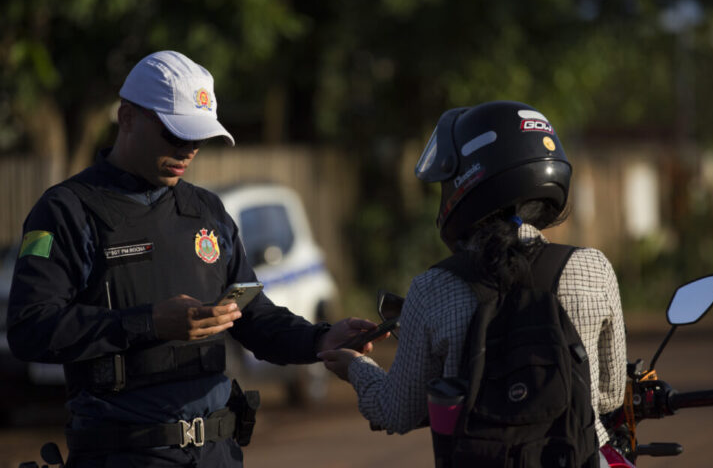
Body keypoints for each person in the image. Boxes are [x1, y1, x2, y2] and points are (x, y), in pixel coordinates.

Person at [7, 50, 376, 467]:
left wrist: (319, 339)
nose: (189, 150)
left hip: (217, 454)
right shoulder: (66, 210)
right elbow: (29, 328)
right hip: (124, 455)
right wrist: (148, 323)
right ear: (126, 117)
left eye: (199, 138)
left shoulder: (208, 212)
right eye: (176, 134)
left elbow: (254, 316)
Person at [320, 100, 627, 465]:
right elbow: (609, 395)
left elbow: (396, 412)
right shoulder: (593, 269)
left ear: (468, 182)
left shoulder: (431, 289)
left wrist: (355, 368)